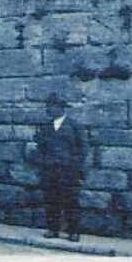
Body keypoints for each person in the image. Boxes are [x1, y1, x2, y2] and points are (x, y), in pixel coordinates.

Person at [34, 93, 87, 241]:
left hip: (68, 171)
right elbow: (40, 147)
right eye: (47, 106)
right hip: (50, 170)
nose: (48, 110)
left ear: (61, 109)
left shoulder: (75, 126)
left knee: (71, 200)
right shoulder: (45, 127)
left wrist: (74, 166)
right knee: (51, 200)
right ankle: (52, 229)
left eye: (51, 106)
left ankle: (73, 231)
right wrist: (43, 163)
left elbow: (83, 149)